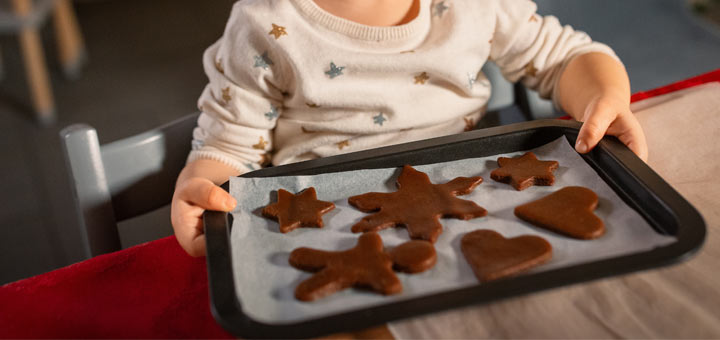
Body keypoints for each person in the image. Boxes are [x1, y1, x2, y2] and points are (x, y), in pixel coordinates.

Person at [171, 0, 648, 257]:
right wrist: (205, 194)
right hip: (326, 224)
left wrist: (600, 95)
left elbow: (562, 57)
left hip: (472, 207)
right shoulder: (261, 23)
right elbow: (229, 142)